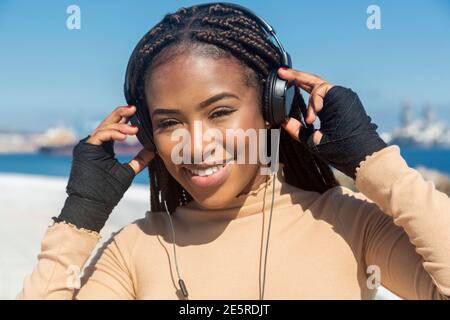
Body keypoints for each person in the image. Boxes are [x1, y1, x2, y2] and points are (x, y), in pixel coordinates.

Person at [17, 3, 450, 300]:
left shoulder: (349, 222)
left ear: (270, 108)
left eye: (220, 111)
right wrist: (80, 215)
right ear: (149, 134)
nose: (196, 143)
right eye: (169, 123)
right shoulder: (132, 251)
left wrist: (374, 163)